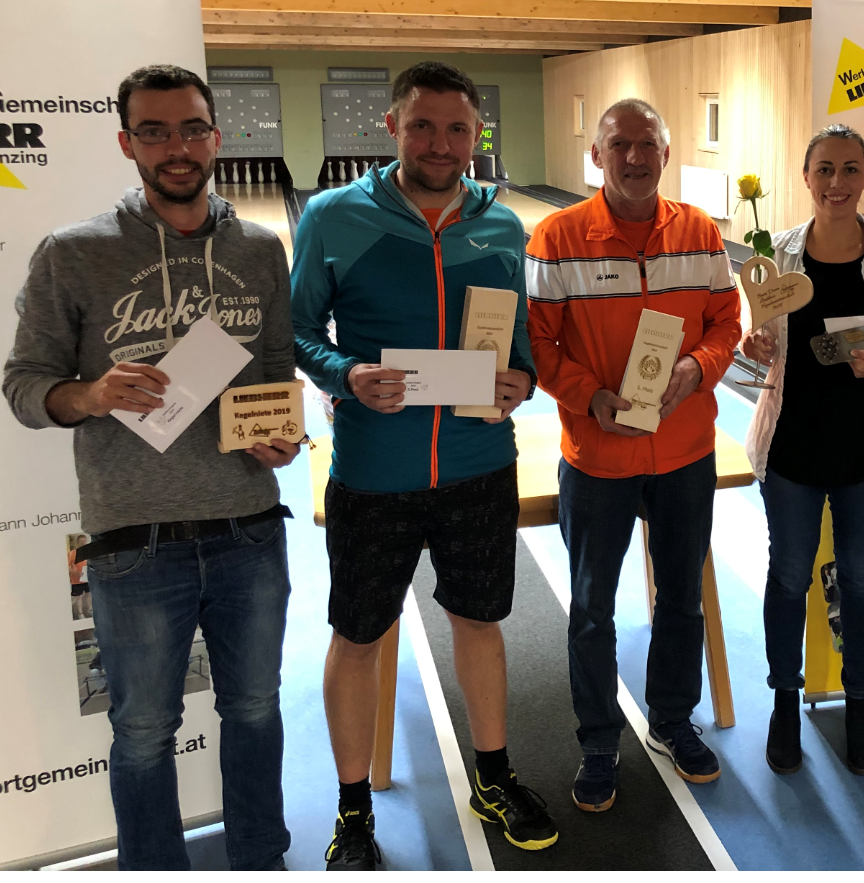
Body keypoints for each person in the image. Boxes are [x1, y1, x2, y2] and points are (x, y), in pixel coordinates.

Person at [3, 65, 297, 871]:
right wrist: (90, 393)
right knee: (140, 732)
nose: (178, 147)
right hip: (134, 542)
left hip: (248, 529)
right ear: (127, 142)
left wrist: (280, 435)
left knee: (256, 709)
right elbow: (23, 386)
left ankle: (260, 859)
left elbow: (275, 371)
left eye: (193, 129)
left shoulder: (259, 250)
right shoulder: (73, 253)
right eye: (156, 132)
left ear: (217, 137)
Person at [292, 61, 554, 866]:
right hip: (375, 471)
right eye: (422, 126)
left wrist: (522, 380)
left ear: (477, 134)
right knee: (358, 635)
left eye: (456, 129)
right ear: (392, 127)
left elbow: (518, 340)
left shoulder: (502, 224)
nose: (441, 144)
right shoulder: (335, 216)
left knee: (480, 621)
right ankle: (353, 811)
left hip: (479, 463)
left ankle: (494, 777)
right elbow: (298, 331)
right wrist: (345, 375)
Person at [526, 98, 741, 811]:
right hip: (598, 457)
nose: (635, 156)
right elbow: (537, 341)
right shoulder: (557, 238)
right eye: (619, 144)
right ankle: (598, 739)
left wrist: (697, 369)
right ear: (596, 155)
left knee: (680, 597)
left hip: (685, 452)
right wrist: (589, 397)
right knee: (592, 606)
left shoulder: (700, 232)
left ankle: (672, 719)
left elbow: (726, 322)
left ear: (666, 154)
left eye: (648, 143)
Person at [741, 124, 864, 775]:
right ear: (806, 176)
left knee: (861, 577)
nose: (837, 182)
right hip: (790, 447)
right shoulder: (773, 255)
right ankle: (784, 701)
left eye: (850, 169)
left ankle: (858, 703)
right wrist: (753, 344)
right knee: (790, 574)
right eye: (824, 169)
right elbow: (756, 344)